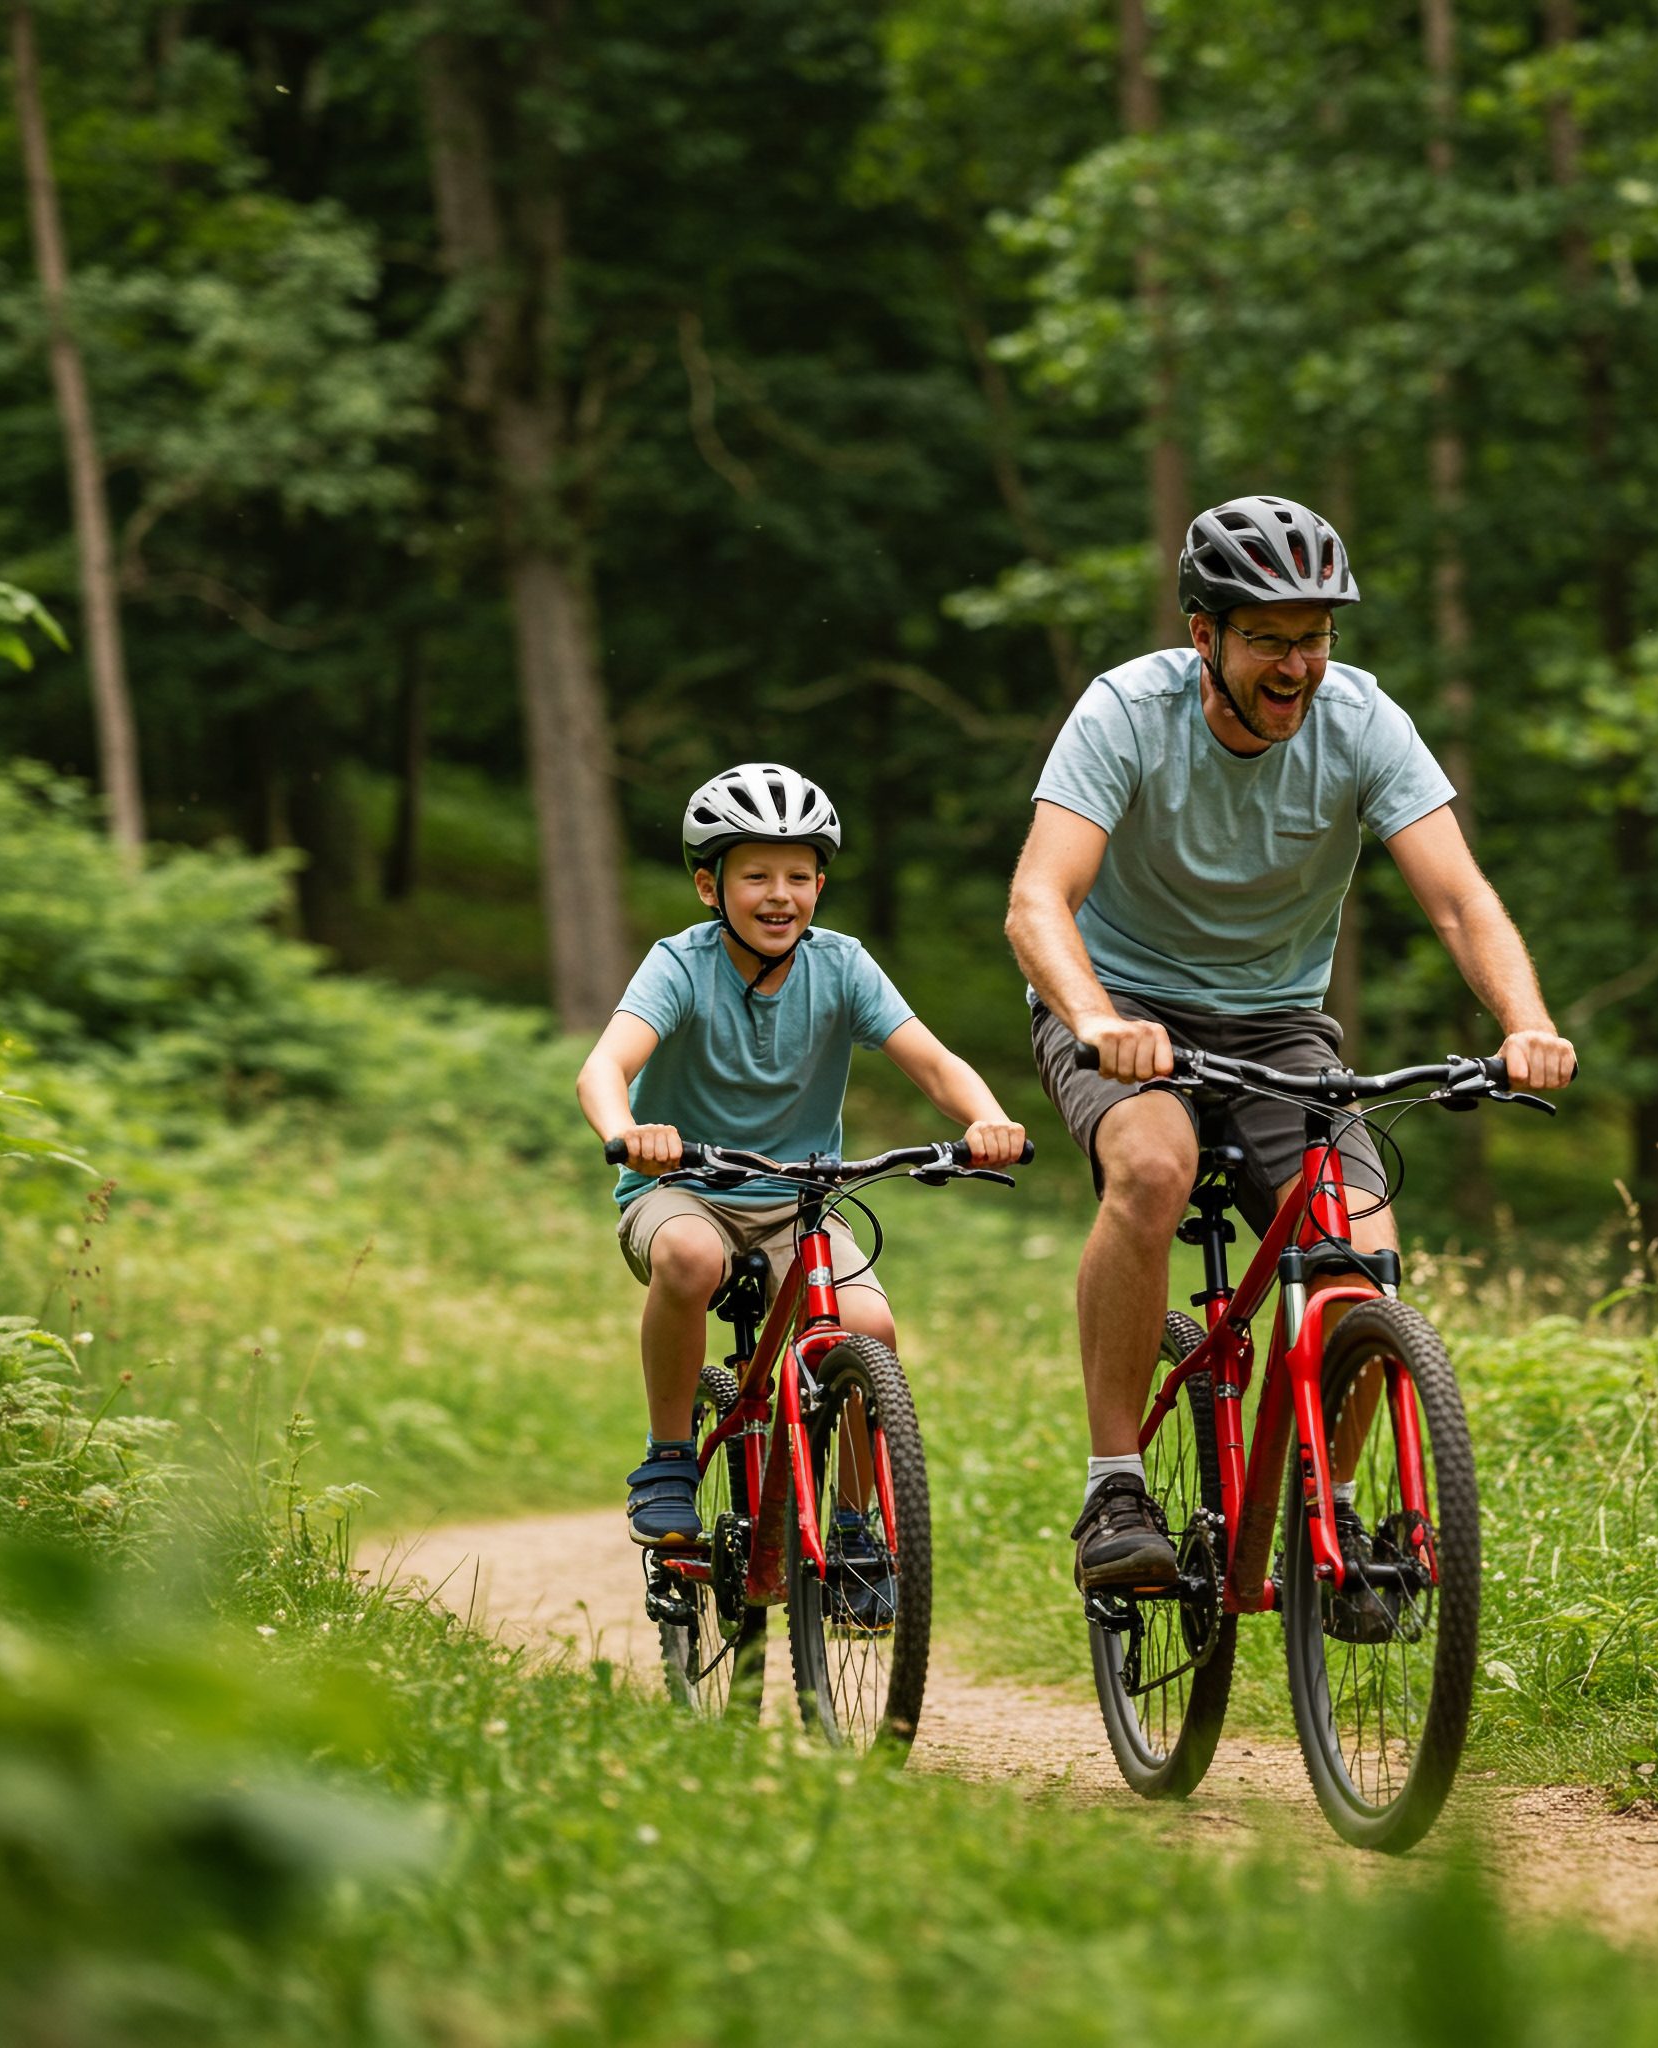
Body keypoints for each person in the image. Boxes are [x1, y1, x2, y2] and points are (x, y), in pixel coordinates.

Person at [1004, 494, 1575, 1594]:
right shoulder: (1125, 712)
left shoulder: (1362, 720)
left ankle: (1331, 1511)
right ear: (1203, 635)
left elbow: (1460, 901)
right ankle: (1115, 1484)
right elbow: (1038, 900)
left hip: (1279, 1027)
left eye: (1314, 636)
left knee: (1360, 1258)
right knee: (1153, 1166)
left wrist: (1526, 1023)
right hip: (1119, 1008)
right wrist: (1096, 1021)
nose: (1297, 665)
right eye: (1268, 637)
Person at [578, 761, 1026, 1548]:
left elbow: (933, 1064)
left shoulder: (842, 966)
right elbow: (604, 1067)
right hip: (684, 1189)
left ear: (819, 886)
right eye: (755, 876)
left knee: (869, 1325)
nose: (778, 895)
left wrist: (987, 1119)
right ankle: (668, 1459)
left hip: (801, 1202)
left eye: (798, 876)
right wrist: (630, 1132)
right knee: (688, 1256)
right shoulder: (680, 964)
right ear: (710, 887)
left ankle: (853, 1528)